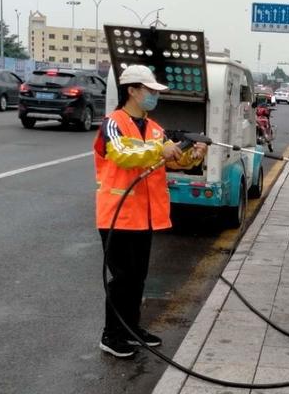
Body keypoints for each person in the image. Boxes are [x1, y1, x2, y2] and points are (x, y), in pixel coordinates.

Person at [93, 65, 207, 358]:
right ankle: (112, 335)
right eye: (150, 90)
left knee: (138, 277)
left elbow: (173, 161)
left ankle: (132, 329)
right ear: (132, 90)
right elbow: (122, 155)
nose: (154, 95)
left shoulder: (154, 128)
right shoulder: (112, 123)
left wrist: (193, 155)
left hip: (144, 217)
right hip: (118, 215)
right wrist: (161, 151)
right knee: (122, 280)